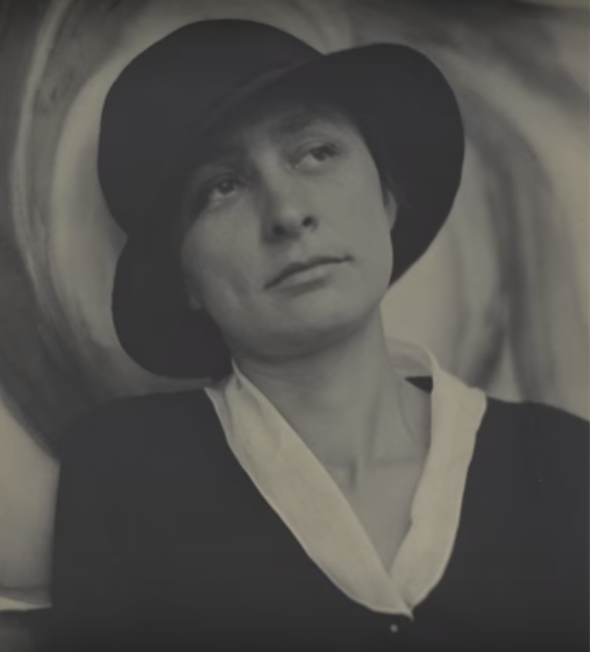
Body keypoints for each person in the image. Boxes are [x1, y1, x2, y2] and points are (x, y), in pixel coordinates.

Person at [47, 19, 588, 652]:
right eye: (223, 187)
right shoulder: (126, 474)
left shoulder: (563, 462)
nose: (287, 212)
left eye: (316, 152)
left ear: (387, 199)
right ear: (183, 279)